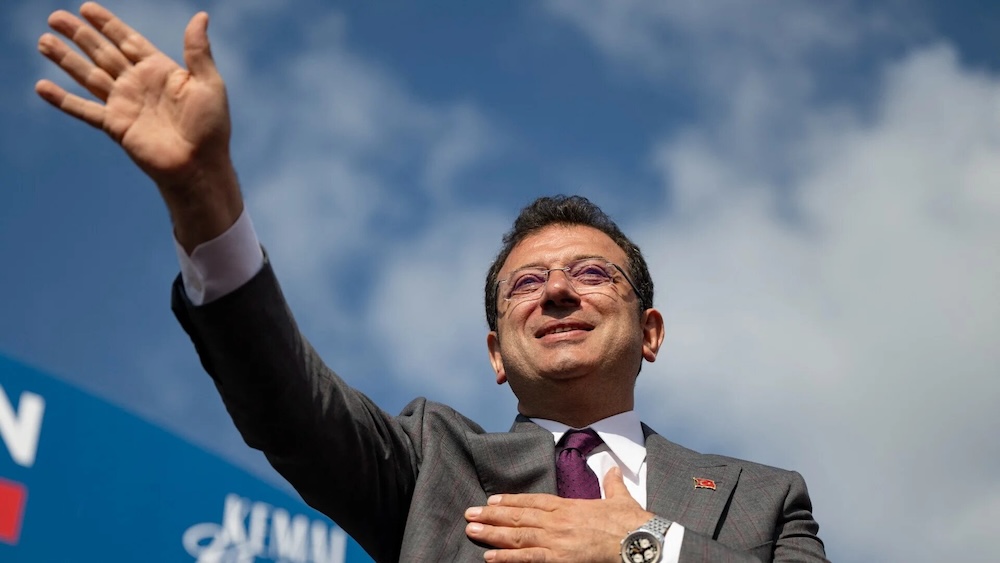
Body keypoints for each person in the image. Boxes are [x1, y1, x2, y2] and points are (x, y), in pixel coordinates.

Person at [35, 4, 827, 562]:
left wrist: (642, 545)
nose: (556, 291)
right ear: (495, 353)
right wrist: (202, 192)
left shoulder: (764, 498)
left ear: (651, 331)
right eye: (526, 284)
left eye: (591, 273)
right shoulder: (432, 466)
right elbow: (289, 402)